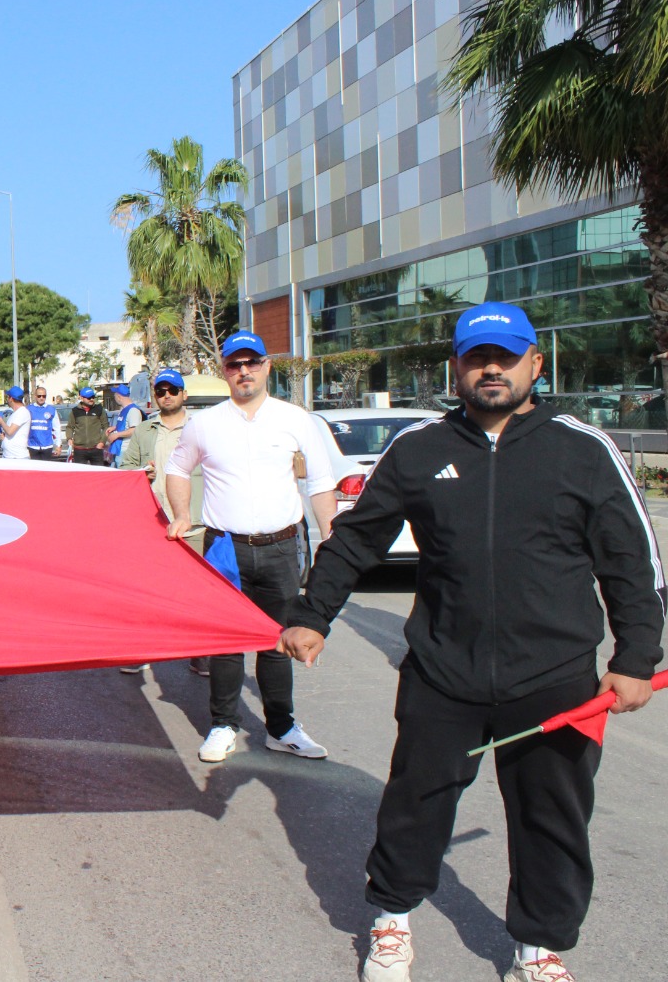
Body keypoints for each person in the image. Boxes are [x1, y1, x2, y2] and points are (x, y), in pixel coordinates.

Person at [282, 302, 665, 982]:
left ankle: (538, 946)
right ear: (455, 367)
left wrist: (636, 657)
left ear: (535, 365)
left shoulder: (583, 449)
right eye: (477, 357)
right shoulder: (420, 448)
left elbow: (633, 562)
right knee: (416, 804)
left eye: (506, 357)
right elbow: (358, 538)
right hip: (442, 671)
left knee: (552, 819)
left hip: (555, 676)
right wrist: (314, 615)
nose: (491, 369)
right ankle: (392, 918)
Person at [164, 330, 336, 764]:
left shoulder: (295, 419)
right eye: (234, 364)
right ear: (224, 371)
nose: (244, 371)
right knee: (226, 642)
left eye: (252, 362)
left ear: (266, 366)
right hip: (225, 547)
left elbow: (319, 481)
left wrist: (331, 536)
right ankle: (223, 725)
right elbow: (177, 468)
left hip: (281, 547)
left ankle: (281, 728)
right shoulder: (205, 424)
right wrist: (181, 514)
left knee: (277, 640)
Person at [121, 368, 209, 677]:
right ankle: (142, 650)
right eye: (161, 391)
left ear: (184, 394)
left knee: (197, 593)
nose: (167, 395)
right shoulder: (145, 430)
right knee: (146, 590)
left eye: (173, 390)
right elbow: (126, 467)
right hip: (153, 521)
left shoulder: (201, 428)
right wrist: (140, 472)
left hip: (194, 523)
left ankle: (200, 653)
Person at [104, 384, 145, 467]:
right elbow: (126, 426)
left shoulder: (133, 410)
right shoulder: (124, 410)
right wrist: (115, 428)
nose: (114, 398)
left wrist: (116, 435)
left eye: (115, 396)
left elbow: (134, 430)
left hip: (126, 451)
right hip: (119, 450)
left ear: (119, 397)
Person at [66, 387, 109, 465]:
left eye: (93, 397)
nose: (91, 399)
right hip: (79, 449)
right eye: (89, 398)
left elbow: (106, 427)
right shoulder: (75, 411)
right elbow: (70, 427)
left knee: (98, 472)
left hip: (96, 448)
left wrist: (102, 442)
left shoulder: (99, 409)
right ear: (81, 398)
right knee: (80, 472)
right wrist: (69, 438)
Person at [0, 386, 33, 461]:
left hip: (18, 457)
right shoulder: (16, 413)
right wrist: (5, 438)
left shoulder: (22, 412)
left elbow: (10, 431)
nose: (7, 399)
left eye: (8, 397)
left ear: (11, 398)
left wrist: (1, 422)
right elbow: (12, 434)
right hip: (9, 456)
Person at [26, 386, 63, 461]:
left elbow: (57, 428)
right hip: (32, 446)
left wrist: (58, 445)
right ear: (35, 396)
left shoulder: (51, 410)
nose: (41, 398)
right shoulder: (28, 409)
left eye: (44, 396)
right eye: (39, 396)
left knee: (46, 468)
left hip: (47, 446)